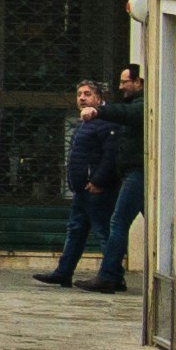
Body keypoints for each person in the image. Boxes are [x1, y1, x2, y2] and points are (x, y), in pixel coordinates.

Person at [47, 82, 124, 287]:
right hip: (82, 189)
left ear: (98, 98)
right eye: (79, 94)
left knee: (102, 231)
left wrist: (98, 181)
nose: (82, 98)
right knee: (76, 230)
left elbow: (111, 155)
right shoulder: (85, 123)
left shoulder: (106, 122)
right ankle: (63, 272)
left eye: (87, 94)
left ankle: (113, 276)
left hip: (97, 189)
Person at [101, 61, 150, 295]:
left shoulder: (143, 105)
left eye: (125, 82)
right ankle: (113, 276)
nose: (120, 87)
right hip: (131, 171)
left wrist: (100, 109)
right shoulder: (135, 104)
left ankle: (109, 276)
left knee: (118, 222)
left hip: (137, 173)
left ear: (138, 82)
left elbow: (127, 114)